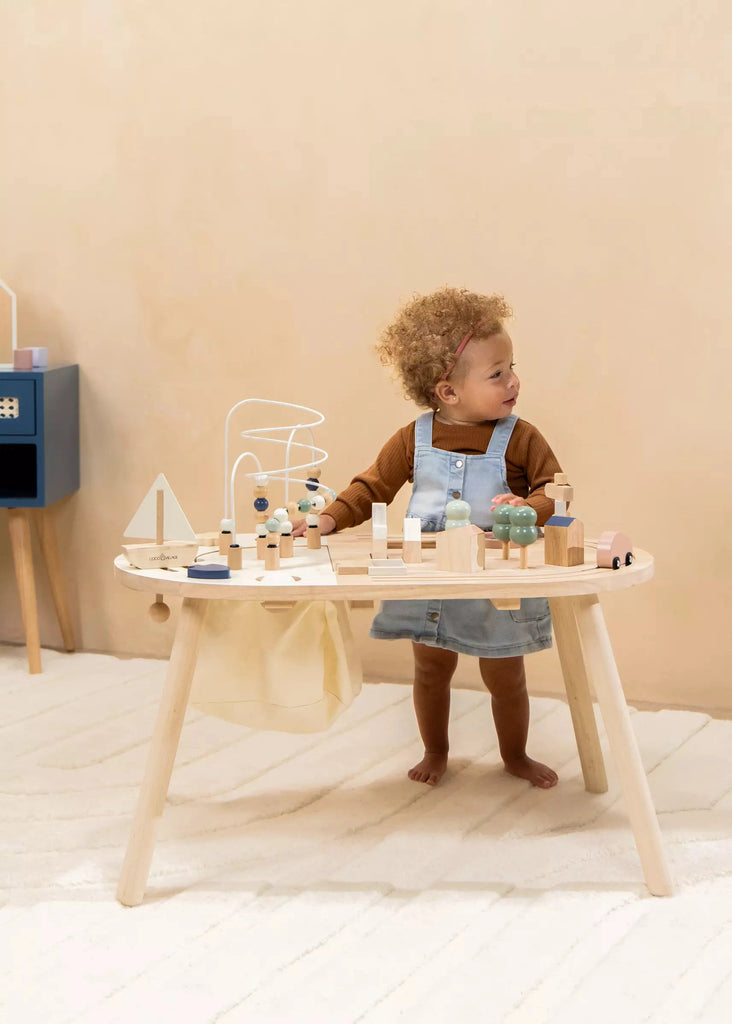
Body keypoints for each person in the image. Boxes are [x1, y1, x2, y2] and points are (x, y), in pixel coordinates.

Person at [294, 287, 561, 789]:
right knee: (431, 670)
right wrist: (326, 520)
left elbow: (554, 489)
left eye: (511, 367)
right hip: (430, 579)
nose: (513, 381)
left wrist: (530, 507)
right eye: (496, 373)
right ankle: (436, 751)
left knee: (506, 676)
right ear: (448, 392)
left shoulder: (522, 437)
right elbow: (371, 488)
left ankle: (515, 755)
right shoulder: (412, 440)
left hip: (494, 582)